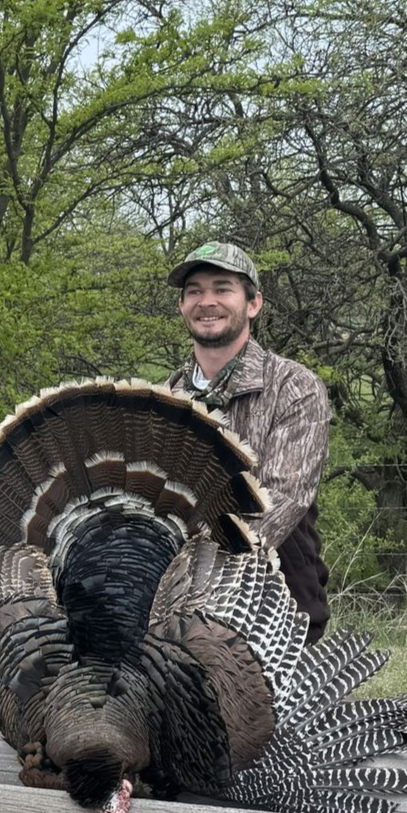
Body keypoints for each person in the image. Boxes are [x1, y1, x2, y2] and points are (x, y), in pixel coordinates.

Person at [165, 241, 333, 641]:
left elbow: (282, 500)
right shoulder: (167, 396)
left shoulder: (294, 386)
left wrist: (186, 566)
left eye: (222, 289)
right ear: (182, 307)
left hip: (276, 602)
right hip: (171, 604)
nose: (207, 301)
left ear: (254, 304)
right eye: (194, 291)